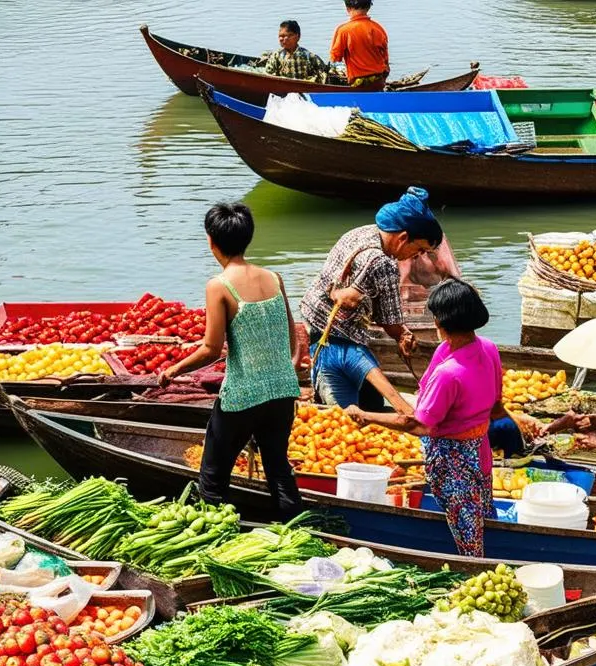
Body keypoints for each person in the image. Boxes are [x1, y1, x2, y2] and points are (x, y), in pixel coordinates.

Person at [158, 203, 303, 522]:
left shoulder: (219, 286)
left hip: (242, 396)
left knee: (212, 477)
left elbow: (211, 349)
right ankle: (298, 530)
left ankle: (220, 535)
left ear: (211, 241)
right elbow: (293, 337)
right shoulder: (274, 278)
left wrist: (173, 370)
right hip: (282, 392)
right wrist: (285, 371)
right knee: (278, 468)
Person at [345, 279, 506, 557]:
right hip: (479, 449)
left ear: (440, 321)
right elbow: (493, 401)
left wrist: (366, 415)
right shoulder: (485, 348)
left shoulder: (450, 372)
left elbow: (419, 425)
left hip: (454, 461)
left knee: (467, 531)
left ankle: (472, 569)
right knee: (478, 511)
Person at [299, 186, 443, 414]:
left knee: (372, 403)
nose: (417, 256)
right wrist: (403, 335)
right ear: (403, 238)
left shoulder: (361, 233)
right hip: (337, 340)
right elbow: (390, 320)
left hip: (314, 322)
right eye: (419, 249)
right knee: (347, 419)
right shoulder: (382, 263)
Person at [330, 0, 390, 89]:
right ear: (369, 7)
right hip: (378, 82)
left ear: (347, 8)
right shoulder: (378, 28)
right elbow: (385, 60)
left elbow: (335, 58)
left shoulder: (343, 30)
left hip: (357, 84)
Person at [262, 20, 328, 80]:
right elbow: (268, 75)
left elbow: (323, 74)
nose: (282, 39)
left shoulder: (309, 56)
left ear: (297, 37)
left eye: (287, 35)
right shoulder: (276, 56)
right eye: (280, 36)